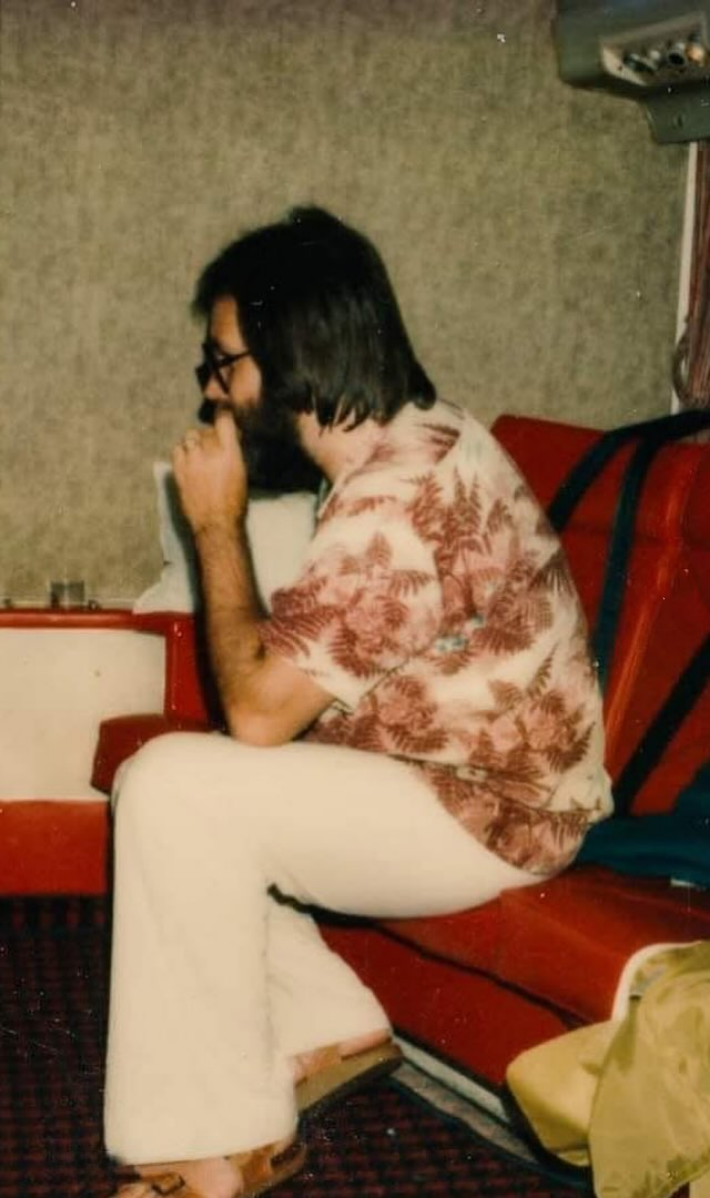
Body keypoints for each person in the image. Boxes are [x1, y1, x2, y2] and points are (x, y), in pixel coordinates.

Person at [103, 208, 612, 1198]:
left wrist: (216, 525)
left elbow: (258, 710)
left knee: (175, 786)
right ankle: (323, 1023)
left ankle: (221, 1141)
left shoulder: (398, 502)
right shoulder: (414, 442)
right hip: (459, 782)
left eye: (223, 363)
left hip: (491, 813)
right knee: (199, 780)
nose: (211, 390)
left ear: (294, 355)